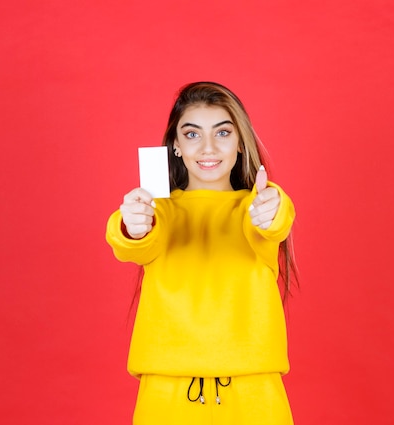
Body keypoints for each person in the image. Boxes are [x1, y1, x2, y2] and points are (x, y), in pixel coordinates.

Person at [106, 81, 298, 424]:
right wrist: (132, 225)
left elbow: (275, 220)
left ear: (241, 143)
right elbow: (133, 239)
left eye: (222, 133)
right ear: (176, 146)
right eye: (192, 135)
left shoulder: (258, 205)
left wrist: (272, 210)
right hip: (166, 396)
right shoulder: (159, 212)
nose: (208, 147)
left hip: (253, 396)